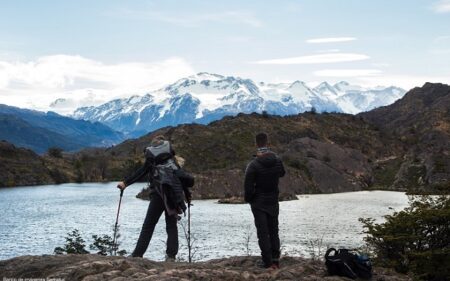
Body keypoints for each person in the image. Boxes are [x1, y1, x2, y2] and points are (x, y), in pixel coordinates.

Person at [117, 135, 193, 261]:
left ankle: (137, 255)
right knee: (171, 225)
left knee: (149, 225)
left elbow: (141, 172)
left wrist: (125, 183)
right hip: (173, 196)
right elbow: (182, 179)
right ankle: (171, 256)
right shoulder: (172, 161)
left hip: (158, 195)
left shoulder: (152, 159)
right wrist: (187, 196)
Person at [244, 132, 285, 269]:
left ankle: (267, 262)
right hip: (273, 200)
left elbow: (248, 187)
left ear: (256, 143)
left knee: (263, 233)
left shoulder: (253, 165)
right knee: (274, 231)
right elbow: (282, 173)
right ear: (268, 142)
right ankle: (276, 260)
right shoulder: (277, 160)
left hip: (259, 203)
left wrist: (250, 200)